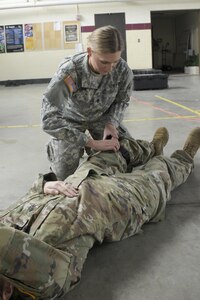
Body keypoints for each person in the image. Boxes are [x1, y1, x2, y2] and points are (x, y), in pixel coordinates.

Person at [0, 127, 200, 300]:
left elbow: (20, 205)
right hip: (112, 203)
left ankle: (152, 148)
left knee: (114, 150)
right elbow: (7, 243)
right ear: (7, 292)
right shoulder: (42, 281)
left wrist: (42, 185)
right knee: (158, 179)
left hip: (76, 182)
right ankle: (184, 157)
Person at [41, 25, 133, 180]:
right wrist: (91, 143)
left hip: (102, 119)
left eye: (115, 62)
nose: (110, 68)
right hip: (71, 121)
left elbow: (122, 101)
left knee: (128, 156)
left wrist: (112, 124)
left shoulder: (122, 70)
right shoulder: (70, 72)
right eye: (104, 62)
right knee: (63, 175)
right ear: (90, 52)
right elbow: (49, 121)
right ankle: (58, 149)